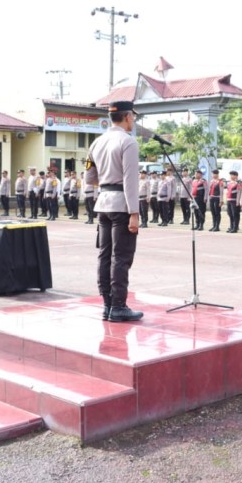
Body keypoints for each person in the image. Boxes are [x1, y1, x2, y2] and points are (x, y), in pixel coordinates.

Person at [84, 101, 144, 322]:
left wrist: (107, 183)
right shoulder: (128, 142)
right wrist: (134, 213)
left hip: (103, 204)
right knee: (121, 257)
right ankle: (119, 306)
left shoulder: (96, 143)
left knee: (105, 255)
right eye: (133, 117)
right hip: (121, 206)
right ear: (127, 117)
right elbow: (130, 180)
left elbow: (89, 177)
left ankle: (108, 305)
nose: (134, 121)